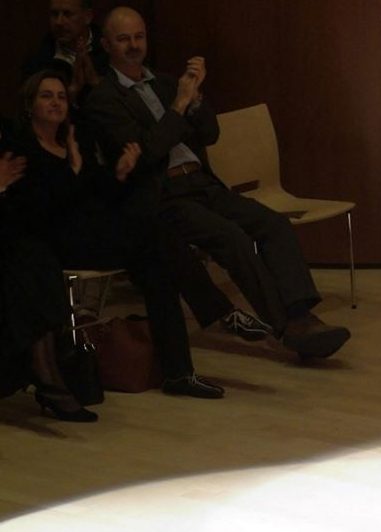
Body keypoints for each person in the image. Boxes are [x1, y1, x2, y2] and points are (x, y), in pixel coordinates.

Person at [84, 6, 350, 359]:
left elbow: (210, 134)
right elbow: (147, 155)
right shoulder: (103, 99)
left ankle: (301, 313)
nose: (133, 45)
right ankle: (287, 329)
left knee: (272, 224)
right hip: (164, 194)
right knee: (231, 239)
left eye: (139, 37)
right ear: (105, 44)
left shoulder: (165, 83)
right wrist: (178, 106)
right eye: (123, 39)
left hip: (203, 183)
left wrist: (195, 100)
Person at [14, 70, 223, 399]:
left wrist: (121, 172)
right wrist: (74, 170)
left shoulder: (73, 139)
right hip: (58, 243)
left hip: (95, 232)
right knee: (155, 238)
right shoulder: (22, 150)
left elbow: (101, 191)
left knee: (158, 261)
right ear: (30, 104)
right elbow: (36, 211)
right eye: (46, 96)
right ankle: (217, 314)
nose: (55, 102)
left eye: (60, 96)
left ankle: (180, 372)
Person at [0, 120, 96, 421]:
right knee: (28, 262)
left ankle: (47, 371)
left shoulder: (13, 140)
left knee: (33, 256)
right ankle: (48, 374)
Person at [21, 0, 109, 109]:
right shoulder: (38, 60)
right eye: (54, 14)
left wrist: (96, 82)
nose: (59, 22)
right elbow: (30, 110)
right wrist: (72, 91)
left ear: (88, 17)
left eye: (67, 14)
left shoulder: (110, 49)